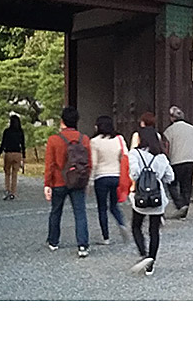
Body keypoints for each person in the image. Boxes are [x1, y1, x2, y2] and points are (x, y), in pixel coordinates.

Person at [44, 106, 92, 258]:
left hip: (59, 181)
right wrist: (86, 180)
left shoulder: (54, 140)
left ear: (62, 121)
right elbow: (88, 163)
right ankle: (82, 245)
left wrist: (47, 184)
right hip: (77, 181)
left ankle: (53, 241)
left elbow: (50, 164)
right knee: (80, 213)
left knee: (56, 211)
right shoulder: (84, 139)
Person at [128, 126, 174, 276]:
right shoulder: (161, 157)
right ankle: (151, 263)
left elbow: (134, 174)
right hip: (157, 198)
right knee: (154, 231)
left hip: (141, 197)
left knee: (136, 226)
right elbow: (170, 177)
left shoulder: (135, 154)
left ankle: (143, 253)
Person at [90, 115, 131, 245]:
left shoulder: (95, 141)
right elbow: (125, 156)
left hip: (101, 177)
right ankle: (122, 223)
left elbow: (94, 163)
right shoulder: (119, 139)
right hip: (116, 176)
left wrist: (90, 181)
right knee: (114, 205)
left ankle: (105, 237)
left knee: (102, 208)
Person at [163, 106, 193, 220]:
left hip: (176, 160)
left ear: (172, 118)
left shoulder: (169, 130)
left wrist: (166, 158)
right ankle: (185, 210)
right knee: (186, 186)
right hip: (190, 159)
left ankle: (180, 205)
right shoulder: (192, 128)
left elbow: (167, 147)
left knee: (172, 184)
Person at [0, 114, 26, 201]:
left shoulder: (7, 131)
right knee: (15, 174)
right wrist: (24, 156)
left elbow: (3, 143)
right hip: (17, 154)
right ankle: (13, 192)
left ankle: (7, 190)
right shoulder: (20, 132)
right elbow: (23, 145)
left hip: (8, 153)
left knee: (7, 173)